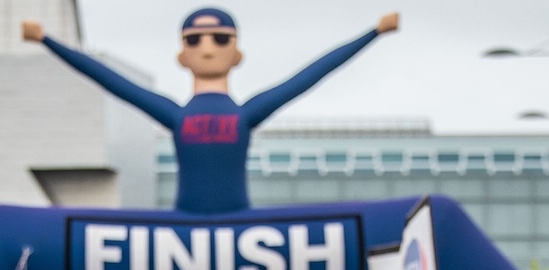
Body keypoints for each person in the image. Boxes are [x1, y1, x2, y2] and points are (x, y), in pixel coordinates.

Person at [24, 8, 398, 215]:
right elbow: (108, 79)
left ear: (236, 54)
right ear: (182, 54)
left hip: (238, 223)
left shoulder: (240, 114)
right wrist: (47, 40)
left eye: (221, 38)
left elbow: (311, 74)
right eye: (194, 40)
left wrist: (373, 33)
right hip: (186, 225)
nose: (207, 47)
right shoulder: (178, 115)